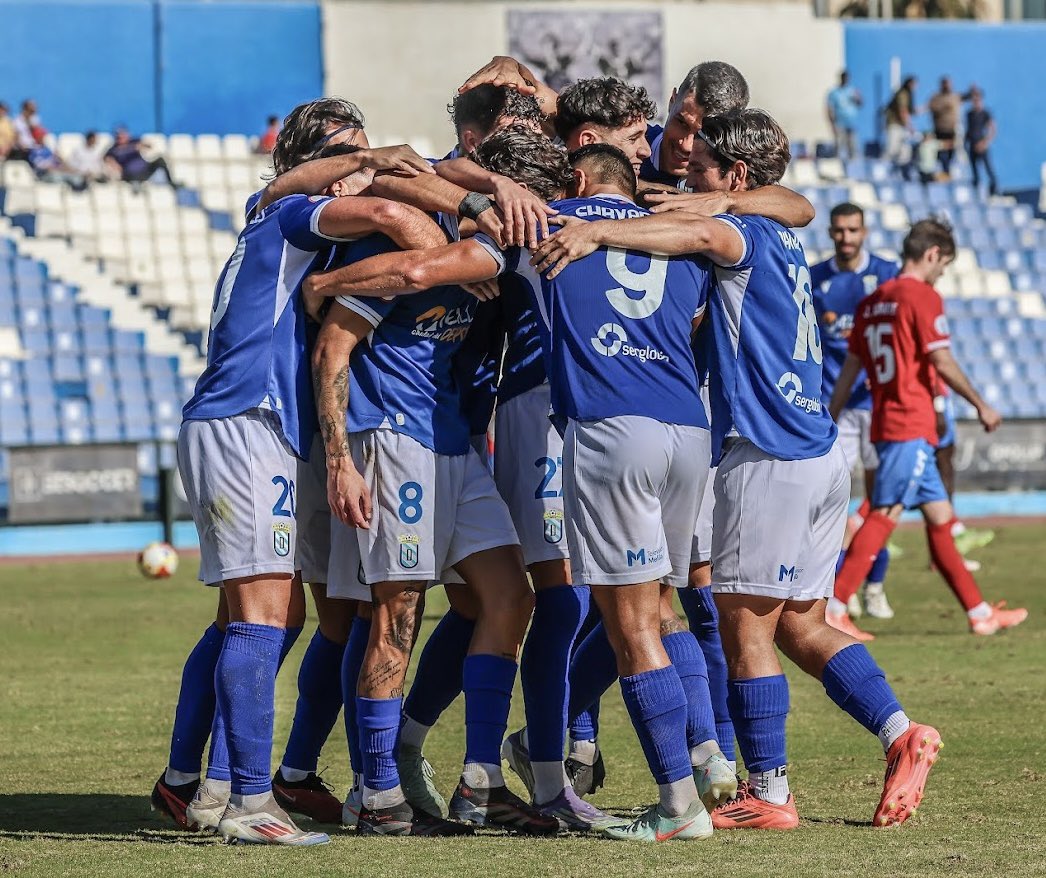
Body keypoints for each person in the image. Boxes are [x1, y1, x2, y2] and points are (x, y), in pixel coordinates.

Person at [531, 108, 942, 832]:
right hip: (818, 452)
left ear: (737, 178)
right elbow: (790, 203)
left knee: (742, 626)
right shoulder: (782, 230)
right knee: (804, 627)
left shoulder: (740, 231)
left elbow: (699, 231)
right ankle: (901, 732)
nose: (685, 176)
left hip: (766, 451)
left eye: (700, 171)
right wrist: (705, 199)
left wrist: (597, 231)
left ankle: (771, 792)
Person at [150, 101, 440, 832]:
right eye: (351, 152)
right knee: (263, 614)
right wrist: (452, 252)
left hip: (254, 424)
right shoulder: (294, 213)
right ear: (317, 166)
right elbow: (399, 222)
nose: (365, 164)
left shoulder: (268, 211)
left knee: (266, 614)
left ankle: (196, 781)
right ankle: (250, 799)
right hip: (248, 420)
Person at [311, 167, 557, 837]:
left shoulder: (484, 266)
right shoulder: (388, 258)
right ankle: (377, 793)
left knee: (511, 595)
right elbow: (332, 347)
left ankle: (480, 780)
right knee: (399, 610)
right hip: (391, 441)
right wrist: (341, 462)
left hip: (455, 445)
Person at [829, 219, 1027, 638]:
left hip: (886, 419)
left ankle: (979, 614)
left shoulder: (873, 300)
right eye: (944, 265)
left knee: (939, 517)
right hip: (909, 421)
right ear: (933, 254)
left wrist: (831, 412)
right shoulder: (922, 297)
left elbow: (852, 366)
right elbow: (940, 360)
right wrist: (981, 404)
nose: (942, 275)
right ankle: (836, 605)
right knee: (884, 513)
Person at [457, 56, 750, 191]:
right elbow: (528, 86)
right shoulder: (607, 131)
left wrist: (724, 204)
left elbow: (792, 206)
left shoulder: (725, 178)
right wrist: (508, 64)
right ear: (672, 100)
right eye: (682, 124)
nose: (687, 145)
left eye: (702, 136)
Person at [811, 203, 898, 623]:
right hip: (836, 409)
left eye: (853, 230)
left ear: (864, 232)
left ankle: (875, 584)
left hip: (878, 406)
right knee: (836, 505)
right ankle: (841, 587)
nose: (846, 237)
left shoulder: (886, 274)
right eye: (839, 231)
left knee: (880, 501)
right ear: (830, 232)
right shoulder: (816, 278)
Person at [553, 77, 657, 177]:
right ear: (589, 142)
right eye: (633, 139)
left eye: (645, 135)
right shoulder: (544, 192)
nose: (647, 151)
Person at [105, 127, 179, 188]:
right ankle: (136, 187)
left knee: (160, 160)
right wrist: (114, 164)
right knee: (132, 177)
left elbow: (149, 146)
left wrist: (141, 146)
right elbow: (106, 158)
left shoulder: (134, 141)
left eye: (123, 135)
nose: (121, 137)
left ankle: (171, 182)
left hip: (144, 170)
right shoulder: (113, 149)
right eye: (119, 136)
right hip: (129, 174)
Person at [927, 77, 965, 176]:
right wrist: (945, 107)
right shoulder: (936, 98)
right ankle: (944, 172)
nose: (947, 86)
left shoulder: (954, 97)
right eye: (945, 84)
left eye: (949, 84)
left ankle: (947, 172)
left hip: (951, 130)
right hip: (940, 130)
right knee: (941, 152)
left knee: (951, 153)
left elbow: (965, 97)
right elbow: (932, 107)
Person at [965, 89, 997, 197]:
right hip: (972, 146)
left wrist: (985, 142)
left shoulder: (985, 113)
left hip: (982, 146)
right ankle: (976, 194)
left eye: (977, 99)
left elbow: (993, 129)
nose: (975, 101)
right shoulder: (969, 114)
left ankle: (993, 191)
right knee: (974, 172)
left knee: (988, 170)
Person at [884, 76, 917, 180]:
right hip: (894, 124)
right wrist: (910, 126)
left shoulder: (908, 95)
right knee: (892, 149)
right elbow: (902, 110)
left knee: (904, 151)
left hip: (901, 126)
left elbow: (910, 110)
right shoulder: (902, 93)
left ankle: (900, 174)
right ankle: (884, 173)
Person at [826, 71, 861, 160]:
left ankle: (853, 165)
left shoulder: (852, 91)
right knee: (840, 145)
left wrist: (858, 98)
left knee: (853, 145)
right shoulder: (835, 92)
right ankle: (840, 164)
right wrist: (832, 123)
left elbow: (860, 103)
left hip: (851, 123)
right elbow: (830, 108)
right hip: (840, 123)